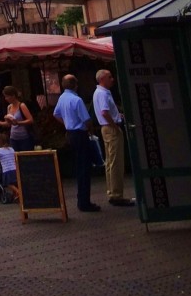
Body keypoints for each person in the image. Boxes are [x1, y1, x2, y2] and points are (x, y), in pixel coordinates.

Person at [54, 74, 99, 212]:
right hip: (80, 133)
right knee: (84, 168)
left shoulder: (62, 98)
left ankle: (82, 199)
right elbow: (86, 119)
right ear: (75, 85)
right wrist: (90, 130)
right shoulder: (77, 100)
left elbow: (56, 114)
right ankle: (84, 202)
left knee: (79, 166)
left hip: (71, 133)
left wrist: (67, 123)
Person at [93, 68, 134, 207]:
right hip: (111, 128)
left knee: (110, 161)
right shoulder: (103, 94)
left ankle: (112, 191)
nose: (112, 79)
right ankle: (117, 194)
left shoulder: (99, 92)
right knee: (116, 161)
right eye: (110, 77)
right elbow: (104, 112)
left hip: (106, 128)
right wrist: (115, 125)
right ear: (102, 79)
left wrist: (117, 116)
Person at [0, 86, 35, 153]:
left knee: (25, 158)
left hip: (24, 138)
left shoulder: (22, 105)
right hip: (13, 138)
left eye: (7, 96)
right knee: (15, 158)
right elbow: (8, 124)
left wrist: (18, 123)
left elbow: (30, 120)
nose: (6, 99)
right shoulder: (9, 107)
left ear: (13, 96)